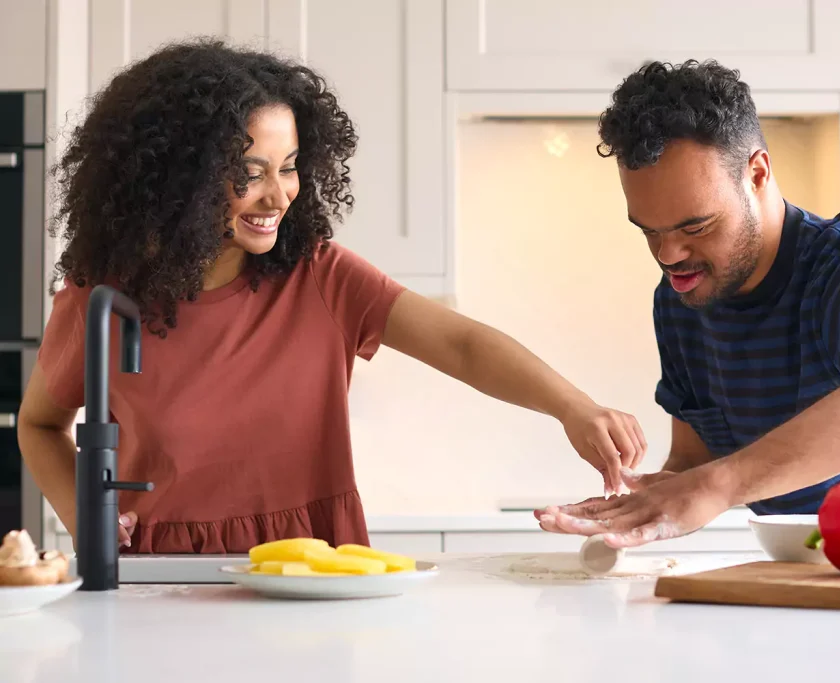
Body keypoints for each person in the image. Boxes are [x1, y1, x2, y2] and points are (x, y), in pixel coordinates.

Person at [16, 40, 646, 554]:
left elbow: (461, 344)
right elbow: (40, 425)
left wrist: (574, 408)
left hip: (315, 568)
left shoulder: (320, 276)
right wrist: (85, 517)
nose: (278, 195)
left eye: (288, 165)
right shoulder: (102, 297)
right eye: (249, 172)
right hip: (158, 576)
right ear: (176, 175)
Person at [537, 59, 840, 550]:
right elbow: (695, 460)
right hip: (839, 572)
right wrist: (655, 494)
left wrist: (715, 486)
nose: (669, 255)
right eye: (648, 231)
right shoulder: (680, 299)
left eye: (696, 227)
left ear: (757, 173)